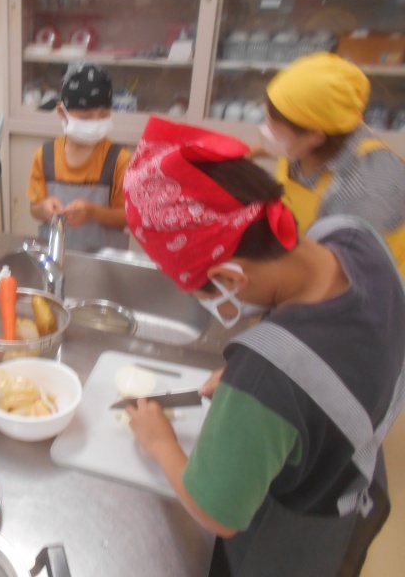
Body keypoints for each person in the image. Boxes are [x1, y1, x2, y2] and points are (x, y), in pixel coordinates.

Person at [123, 116, 405, 576]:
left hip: (288, 542)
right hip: (350, 473)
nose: (203, 301)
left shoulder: (265, 375)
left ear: (230, 278)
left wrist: (159, 442)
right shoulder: (354, 236)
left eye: (200, 292)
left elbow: (215, 513)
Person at [258, 51, 405, 276]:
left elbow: (336, 277)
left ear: (315, 136)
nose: (266, 131)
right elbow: (275, 148)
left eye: (274, 127)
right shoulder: (321, 135)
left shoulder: (365, 189)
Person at [26, 63, 131, 252]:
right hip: (57, 256)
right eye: (85, 117)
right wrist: (44, 209)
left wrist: (93, 212)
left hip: (104, 261)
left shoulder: (119, 160)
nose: (96, 123)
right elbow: (34, 208)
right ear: (62, 113)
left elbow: (127, 217)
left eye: (103, 115)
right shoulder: (45, 156)